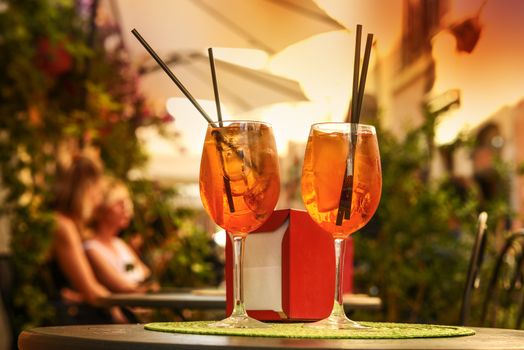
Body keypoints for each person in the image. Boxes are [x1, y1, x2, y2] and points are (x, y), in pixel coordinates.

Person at [49, 155, 118, 324]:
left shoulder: (64, 223)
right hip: (59, 324)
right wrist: (119, 307)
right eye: (98, 191)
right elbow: (91, 291)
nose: (100, 200)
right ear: (87, 188)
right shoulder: (64, 226)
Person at [84, 179, 152, 293]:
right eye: (119, 203)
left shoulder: (120, 244)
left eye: (127, 203)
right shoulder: (91, 248)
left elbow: (148, 276)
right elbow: (124, 288)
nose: (127, 209)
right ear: (102, 208)